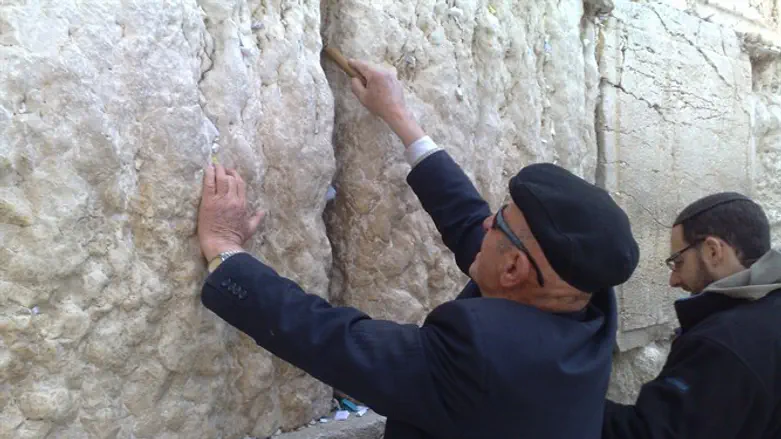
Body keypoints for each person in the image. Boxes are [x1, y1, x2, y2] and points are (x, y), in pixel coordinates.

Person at [197, 59, 640, 439]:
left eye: (500, 222)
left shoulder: (484, 356)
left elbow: (334, 341)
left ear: (513, 269)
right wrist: (400, 117)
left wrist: (224, 248)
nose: (487, 222)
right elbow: (469, 223)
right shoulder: (583, 306)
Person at [602, 193, 781, 439]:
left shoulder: (721, 344)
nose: (674, 280)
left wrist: (568, 403)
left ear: (713, 251)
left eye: (678, 262)